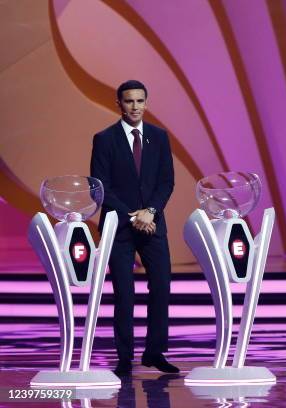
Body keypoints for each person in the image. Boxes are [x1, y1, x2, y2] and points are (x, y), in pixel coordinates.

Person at [90, 80, 178, 375]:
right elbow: (99, 187)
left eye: (140, 101)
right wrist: (133, 215)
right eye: (129, 101)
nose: (135, 106)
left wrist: (150, 212)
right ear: (119, 104)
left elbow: (167, 181)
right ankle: (124, 357)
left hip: (153, 224)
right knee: (124, 293)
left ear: (146, 102)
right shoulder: (105, 139)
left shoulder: (159, 137)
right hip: (120, 227)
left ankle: (154, 353)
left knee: (162, 287)